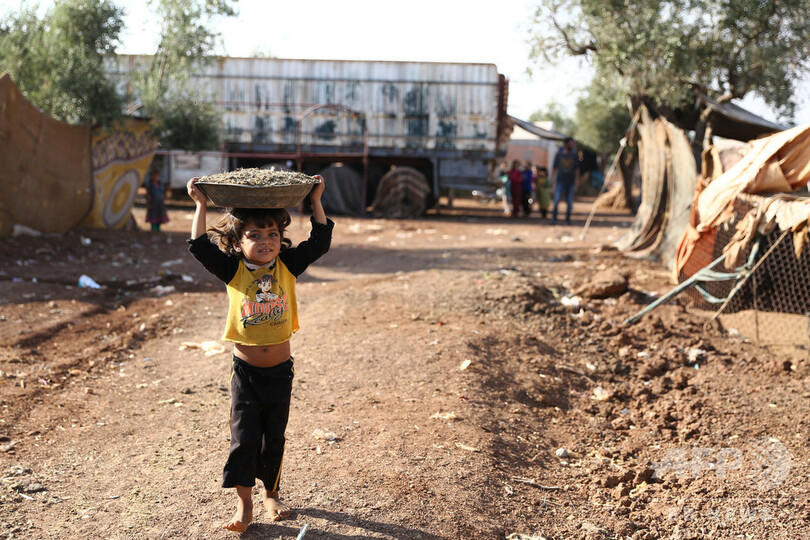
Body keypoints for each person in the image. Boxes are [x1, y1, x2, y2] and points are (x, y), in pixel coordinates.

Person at [186, 175, 333, 532]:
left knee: (274, 436)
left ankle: (272, 494)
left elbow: (321, 240)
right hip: (246, 374)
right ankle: (244, 505)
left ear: (280, 240)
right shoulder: (232, 270)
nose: (266, 242)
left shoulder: (288, 266)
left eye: (272, 235)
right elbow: (199, 246)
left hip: (280, 372)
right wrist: (200, 205)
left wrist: (316, 199)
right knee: (244, 438)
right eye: (255, 235)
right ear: (237, 242)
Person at [551, 137, 580, 225]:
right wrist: (552, 179)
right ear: (566, 144)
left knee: (569, 202)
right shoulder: (559, 155)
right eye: (571, 143)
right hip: (560, 180)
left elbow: (577, 169)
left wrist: (577, 179)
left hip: (570, 181)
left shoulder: (574, 155)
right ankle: (554, 219)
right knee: (556, 201)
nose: (572, 145)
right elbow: (554, 168)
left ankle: (568, 219)